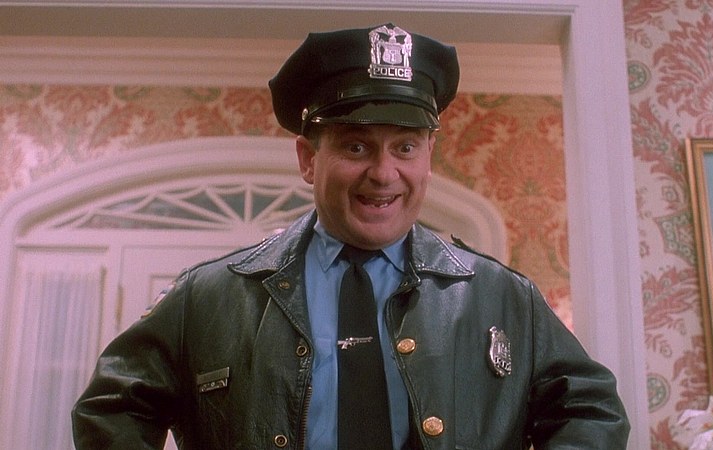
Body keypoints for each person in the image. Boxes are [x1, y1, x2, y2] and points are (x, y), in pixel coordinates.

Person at [72, 23, 629, 449]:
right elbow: (112, 407)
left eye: (405, 147)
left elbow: (592, 412)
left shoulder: (504, 297)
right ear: (308, 158)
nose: (384, 173)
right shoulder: (209, 296)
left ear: (429, 155)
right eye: (356, 146)